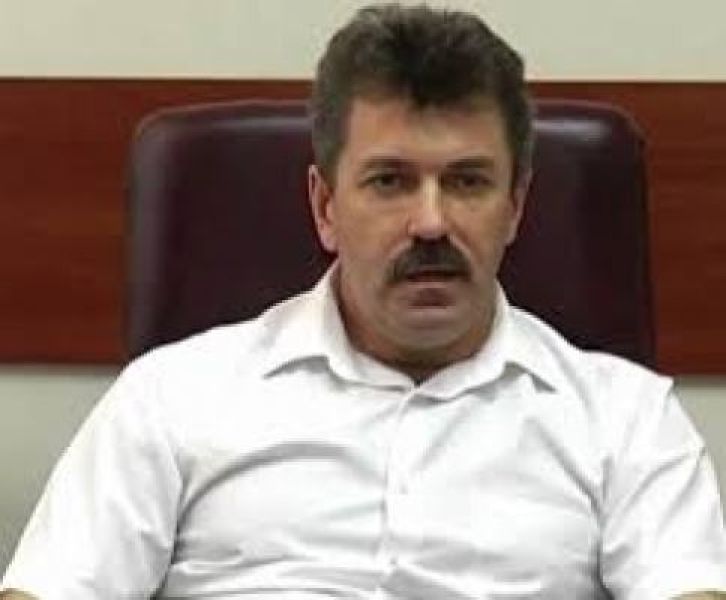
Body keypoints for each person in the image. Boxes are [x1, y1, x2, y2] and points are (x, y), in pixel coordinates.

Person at [2, 4, 725, 599]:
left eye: (467, 182)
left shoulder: (626, 420)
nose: (431, 223)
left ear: (515, 207)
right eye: (389, 182)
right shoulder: (172, 397)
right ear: (325, 206)